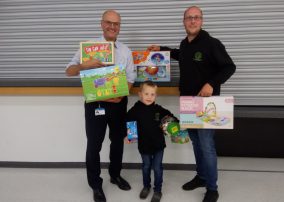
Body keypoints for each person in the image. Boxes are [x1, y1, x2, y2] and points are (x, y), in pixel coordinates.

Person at [147, 6, 236, 202]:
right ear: (184, 21)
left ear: (201, 20)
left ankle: (212, 188)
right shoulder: (185, 43)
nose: (193, 21)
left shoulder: (212, 44)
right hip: (188, 102)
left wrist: (211, 83)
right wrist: (161, 49)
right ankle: (201, 177)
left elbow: (230, 66)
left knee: (207, 146)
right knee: (196, 143)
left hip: (207, 104)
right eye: (189, 18)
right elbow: (181, 54)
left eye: (196, 18)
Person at [66, 10, 136, 202]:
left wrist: (122, 94)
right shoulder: (88, 48)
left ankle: (115, 175)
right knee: (94, 145)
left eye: (116, 24)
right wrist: (84, 65)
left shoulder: (126, 50)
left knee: (117, 141)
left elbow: (131, 77)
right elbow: (69, 71)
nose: (112, 27)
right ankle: (96, 185)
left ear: (119, 27)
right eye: (109, 22)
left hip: (118, 104)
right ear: (101, 24)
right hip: (95, 104)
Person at [126, 81, 178, 202]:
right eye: (146, 94)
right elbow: (128, 122)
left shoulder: (159, 110)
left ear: (156, 96)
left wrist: (178, 124)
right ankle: (146, 187)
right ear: (140, 94)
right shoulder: (135, 110)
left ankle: (158, 190)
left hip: (158, 145)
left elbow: (171, 117)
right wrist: (127, 135)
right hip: (144, 146)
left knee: (158, 168)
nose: (149, 97)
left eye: (152, 94)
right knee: (146, 166)